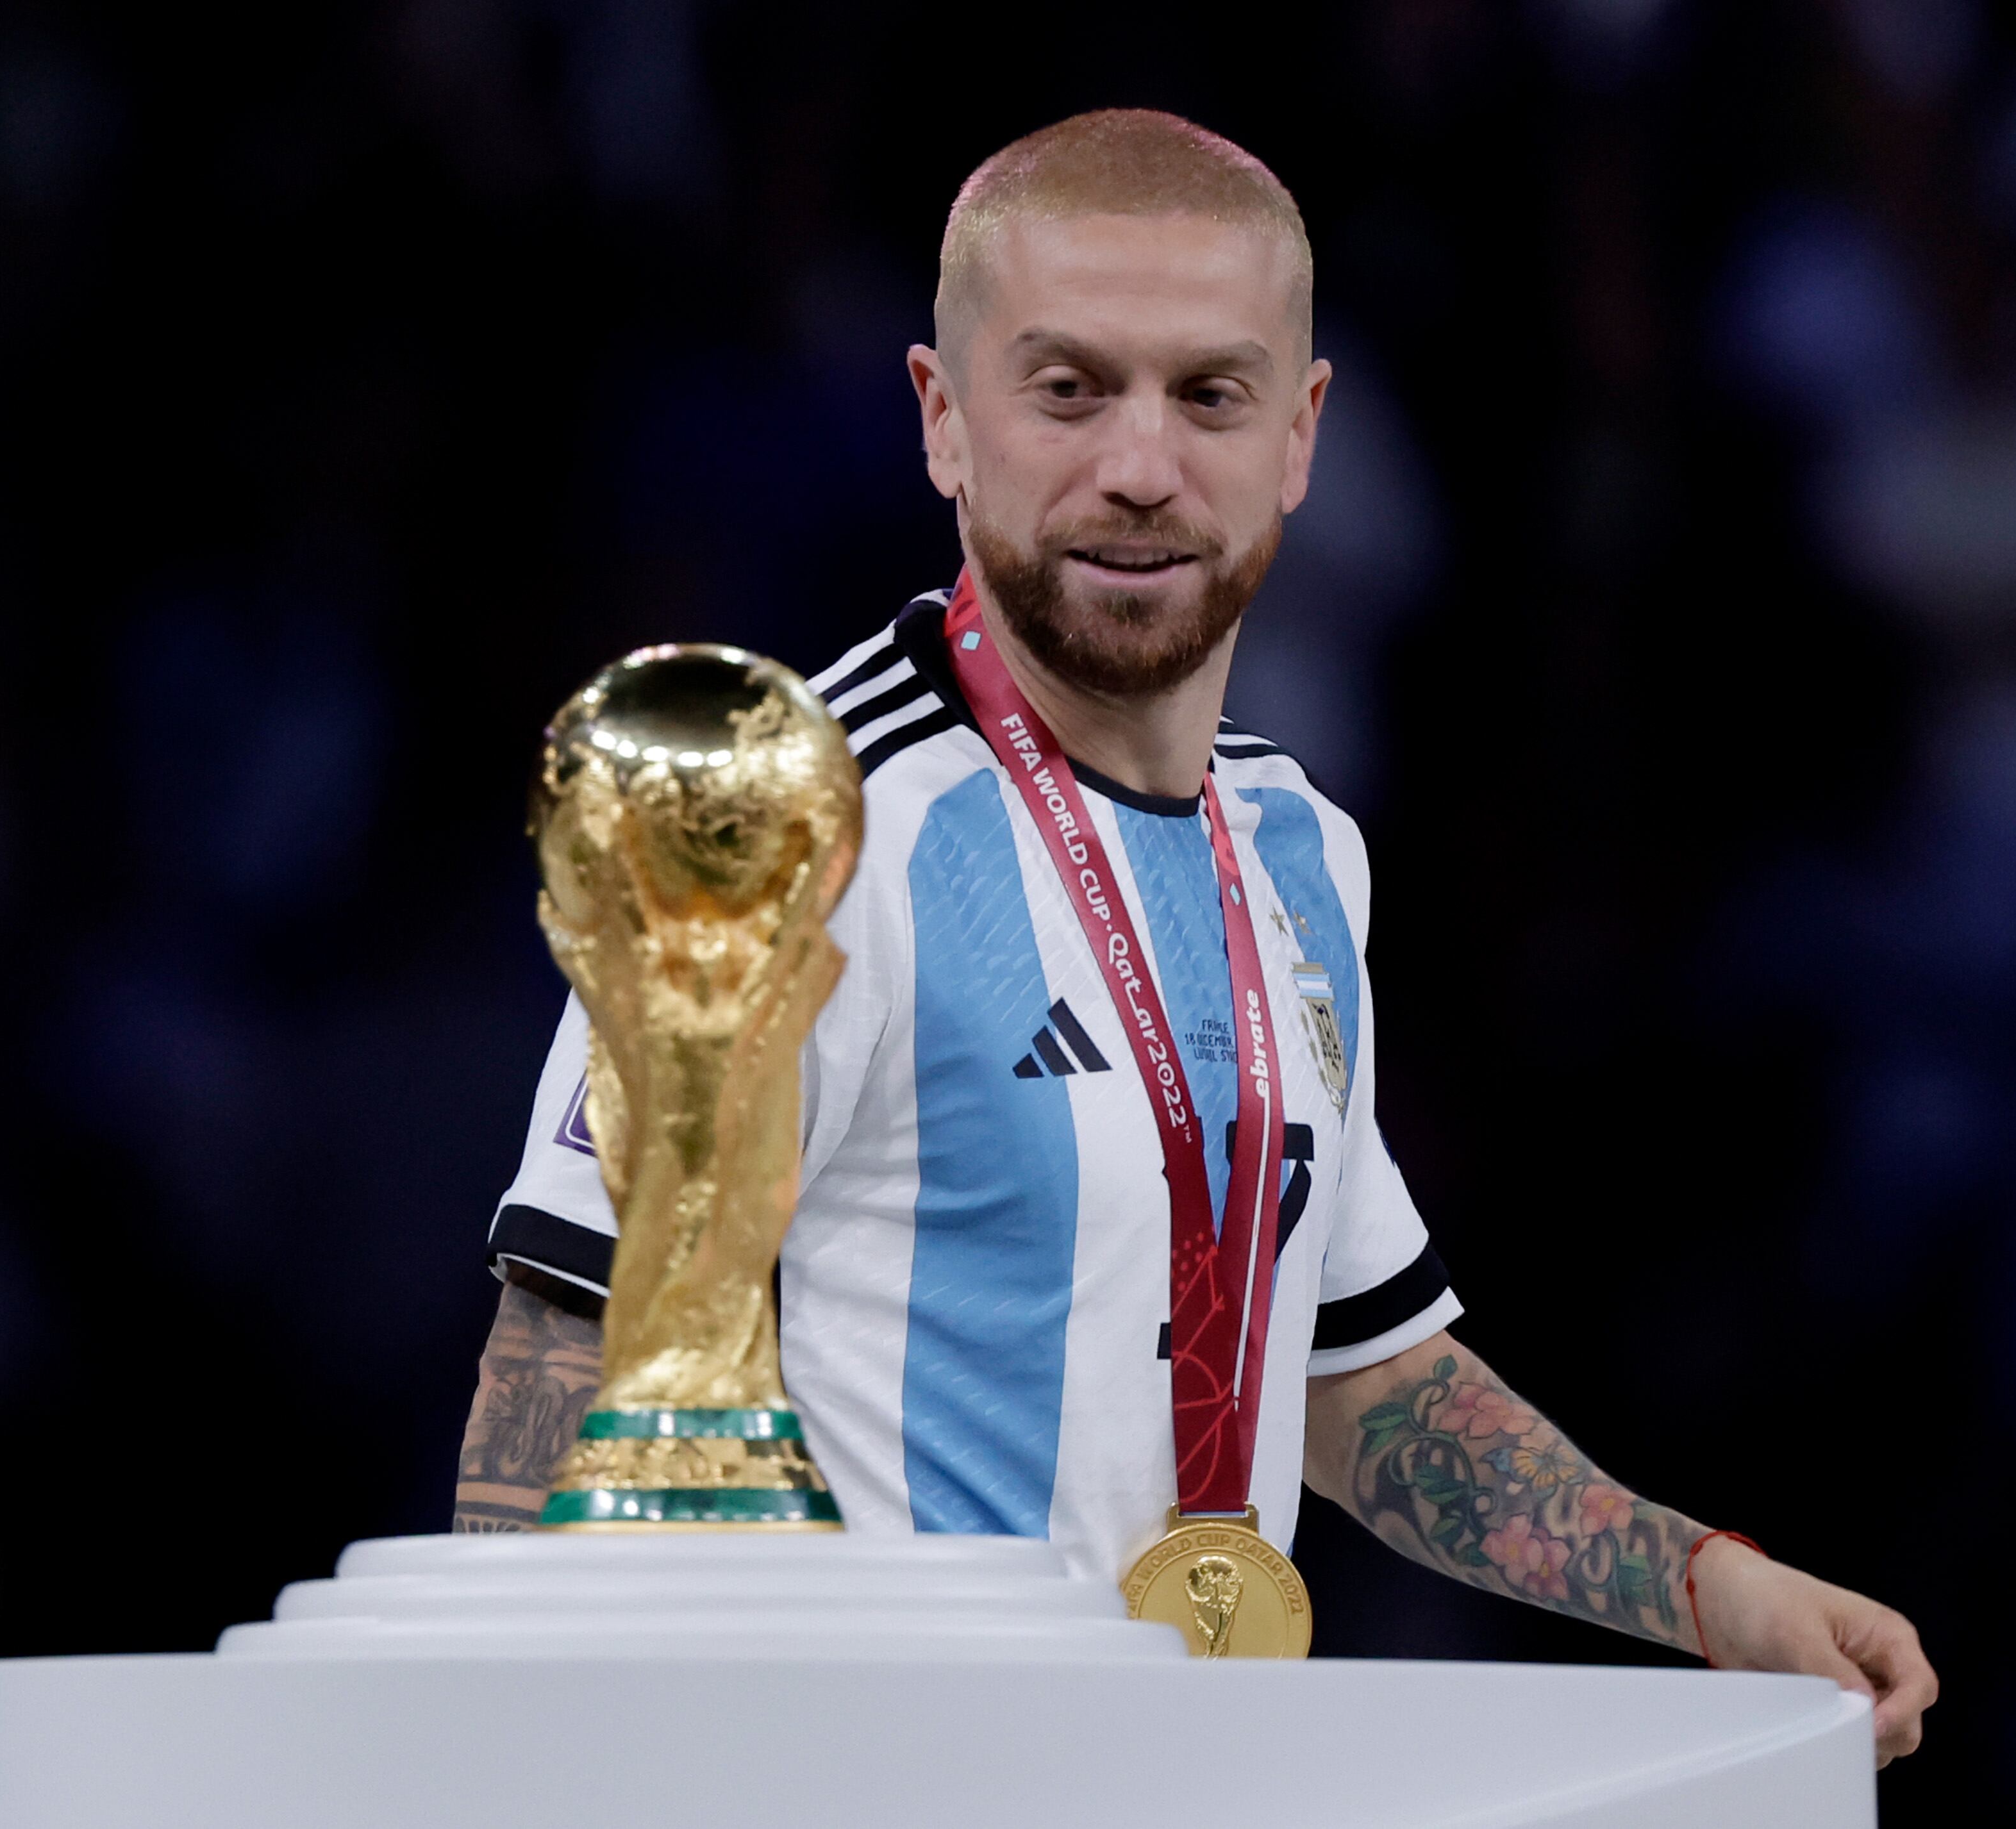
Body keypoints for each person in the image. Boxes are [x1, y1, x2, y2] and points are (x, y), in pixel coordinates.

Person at [454, 108, 1936, 1764]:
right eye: (1068, 389)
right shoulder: (792, 837)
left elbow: (1358, 1385)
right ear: (943, 422)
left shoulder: (1301, 852)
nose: (1141, 468)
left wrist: (1709, 1590)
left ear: (1300, 437)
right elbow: (569, 1359)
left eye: (1208, 395)